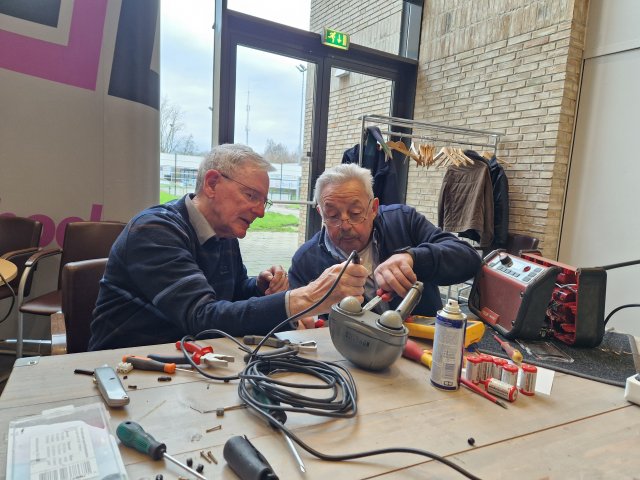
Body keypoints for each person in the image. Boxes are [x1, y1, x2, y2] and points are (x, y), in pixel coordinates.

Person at [88, 144, 368, 350]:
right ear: (211, 183)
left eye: (263, 201)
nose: (260, 211)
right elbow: (202, 317)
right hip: (125, 366)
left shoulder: (225, 234)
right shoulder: (154, 230)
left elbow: (230, 295)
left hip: (191, 362)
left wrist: (258, 287)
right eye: (251, 195)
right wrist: (306, 297)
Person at [288, 163, 482, 318]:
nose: (345, 225)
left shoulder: (403, 221)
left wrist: (413, 258)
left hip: (423, 348)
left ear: (373, 208)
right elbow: (296, 323)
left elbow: (469, 259)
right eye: (332, 215)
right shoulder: (305, 261)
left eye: (355, 213)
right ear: (320, 213)